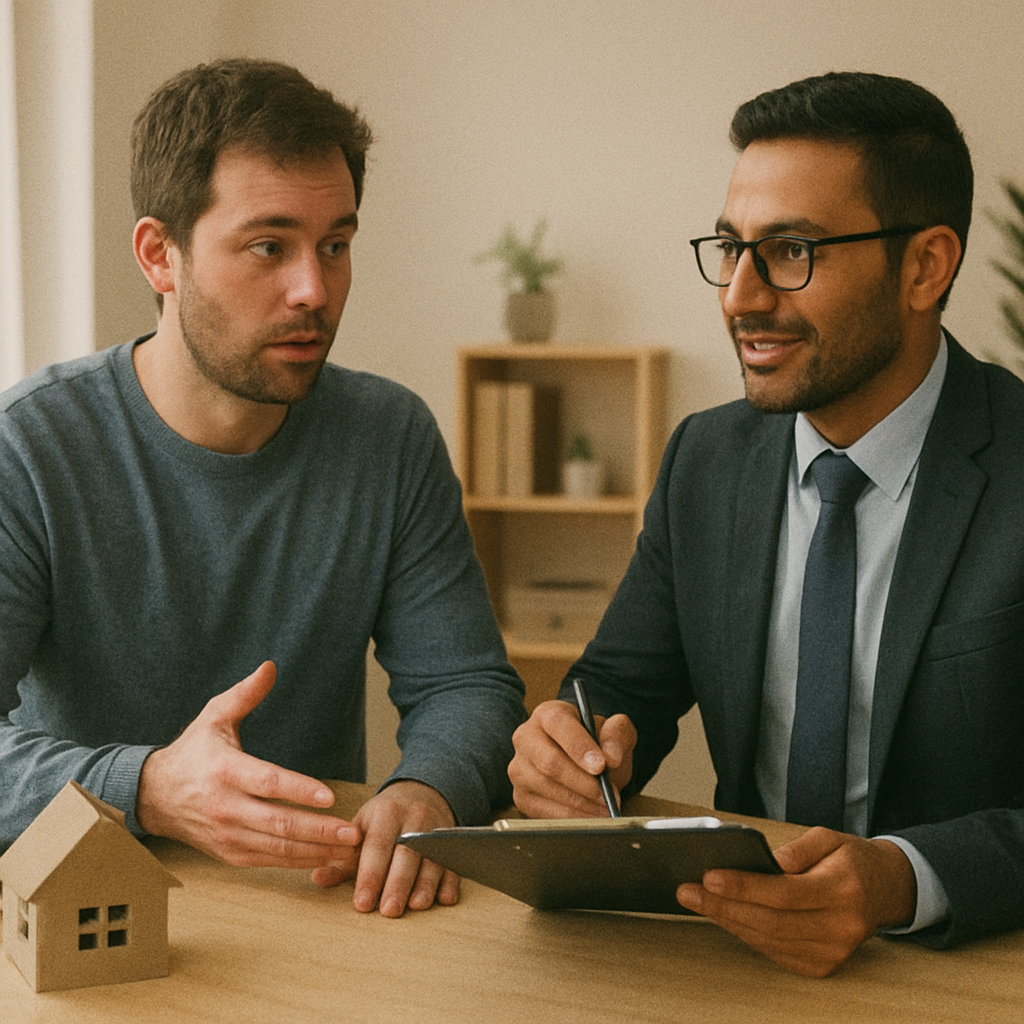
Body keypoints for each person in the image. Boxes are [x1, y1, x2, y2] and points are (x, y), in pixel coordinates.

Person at [509, 71, 1024, 976]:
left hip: (968, 972)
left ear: (925, 267)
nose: (740, 296)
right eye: (731, 247)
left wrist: (901, 880)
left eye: (791, 251)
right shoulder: (707, 460)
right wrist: (573, 750)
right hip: (738, 960)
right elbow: (621, 686)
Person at [0, 58, 526, 919]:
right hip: (94, 912)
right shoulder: (29, 446)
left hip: (319, 907)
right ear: (159, 256)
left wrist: (429, 791)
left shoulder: (390, 439)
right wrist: (152, 787)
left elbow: (465, 685)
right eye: (267, 247)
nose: (314, 289)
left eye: (336, 245)